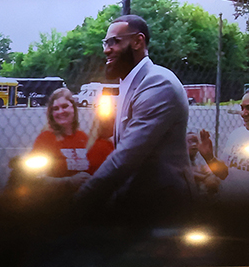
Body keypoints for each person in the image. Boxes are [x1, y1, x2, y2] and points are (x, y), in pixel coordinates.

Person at [74, 14, 193, 222]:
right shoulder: (130, 83)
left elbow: (126, 158)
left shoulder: (158, 83)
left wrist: (76, 204)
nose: (106, 49)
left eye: (115, 42)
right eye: (105, 43)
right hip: (142, 206)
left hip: (164, 211)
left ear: (138, 41)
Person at [198, 87, 249, 204]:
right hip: (229, 205)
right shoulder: (237, 134)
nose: (243, 114)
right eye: (242, 108)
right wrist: (209, 157)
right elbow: (224, 173)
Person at [31, 88, 90, 178]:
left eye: (65, 106)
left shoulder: (83, 137)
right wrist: (68, 182)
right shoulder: (45, 139)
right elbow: (35, 177)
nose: (60, 111)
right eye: (55, 108)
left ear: (73, 107)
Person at [186, 131, 219, 197]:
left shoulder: (199, 162)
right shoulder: (179, 160)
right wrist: (205, 178)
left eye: (195, 141)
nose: (194, 144)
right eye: (190, 141)